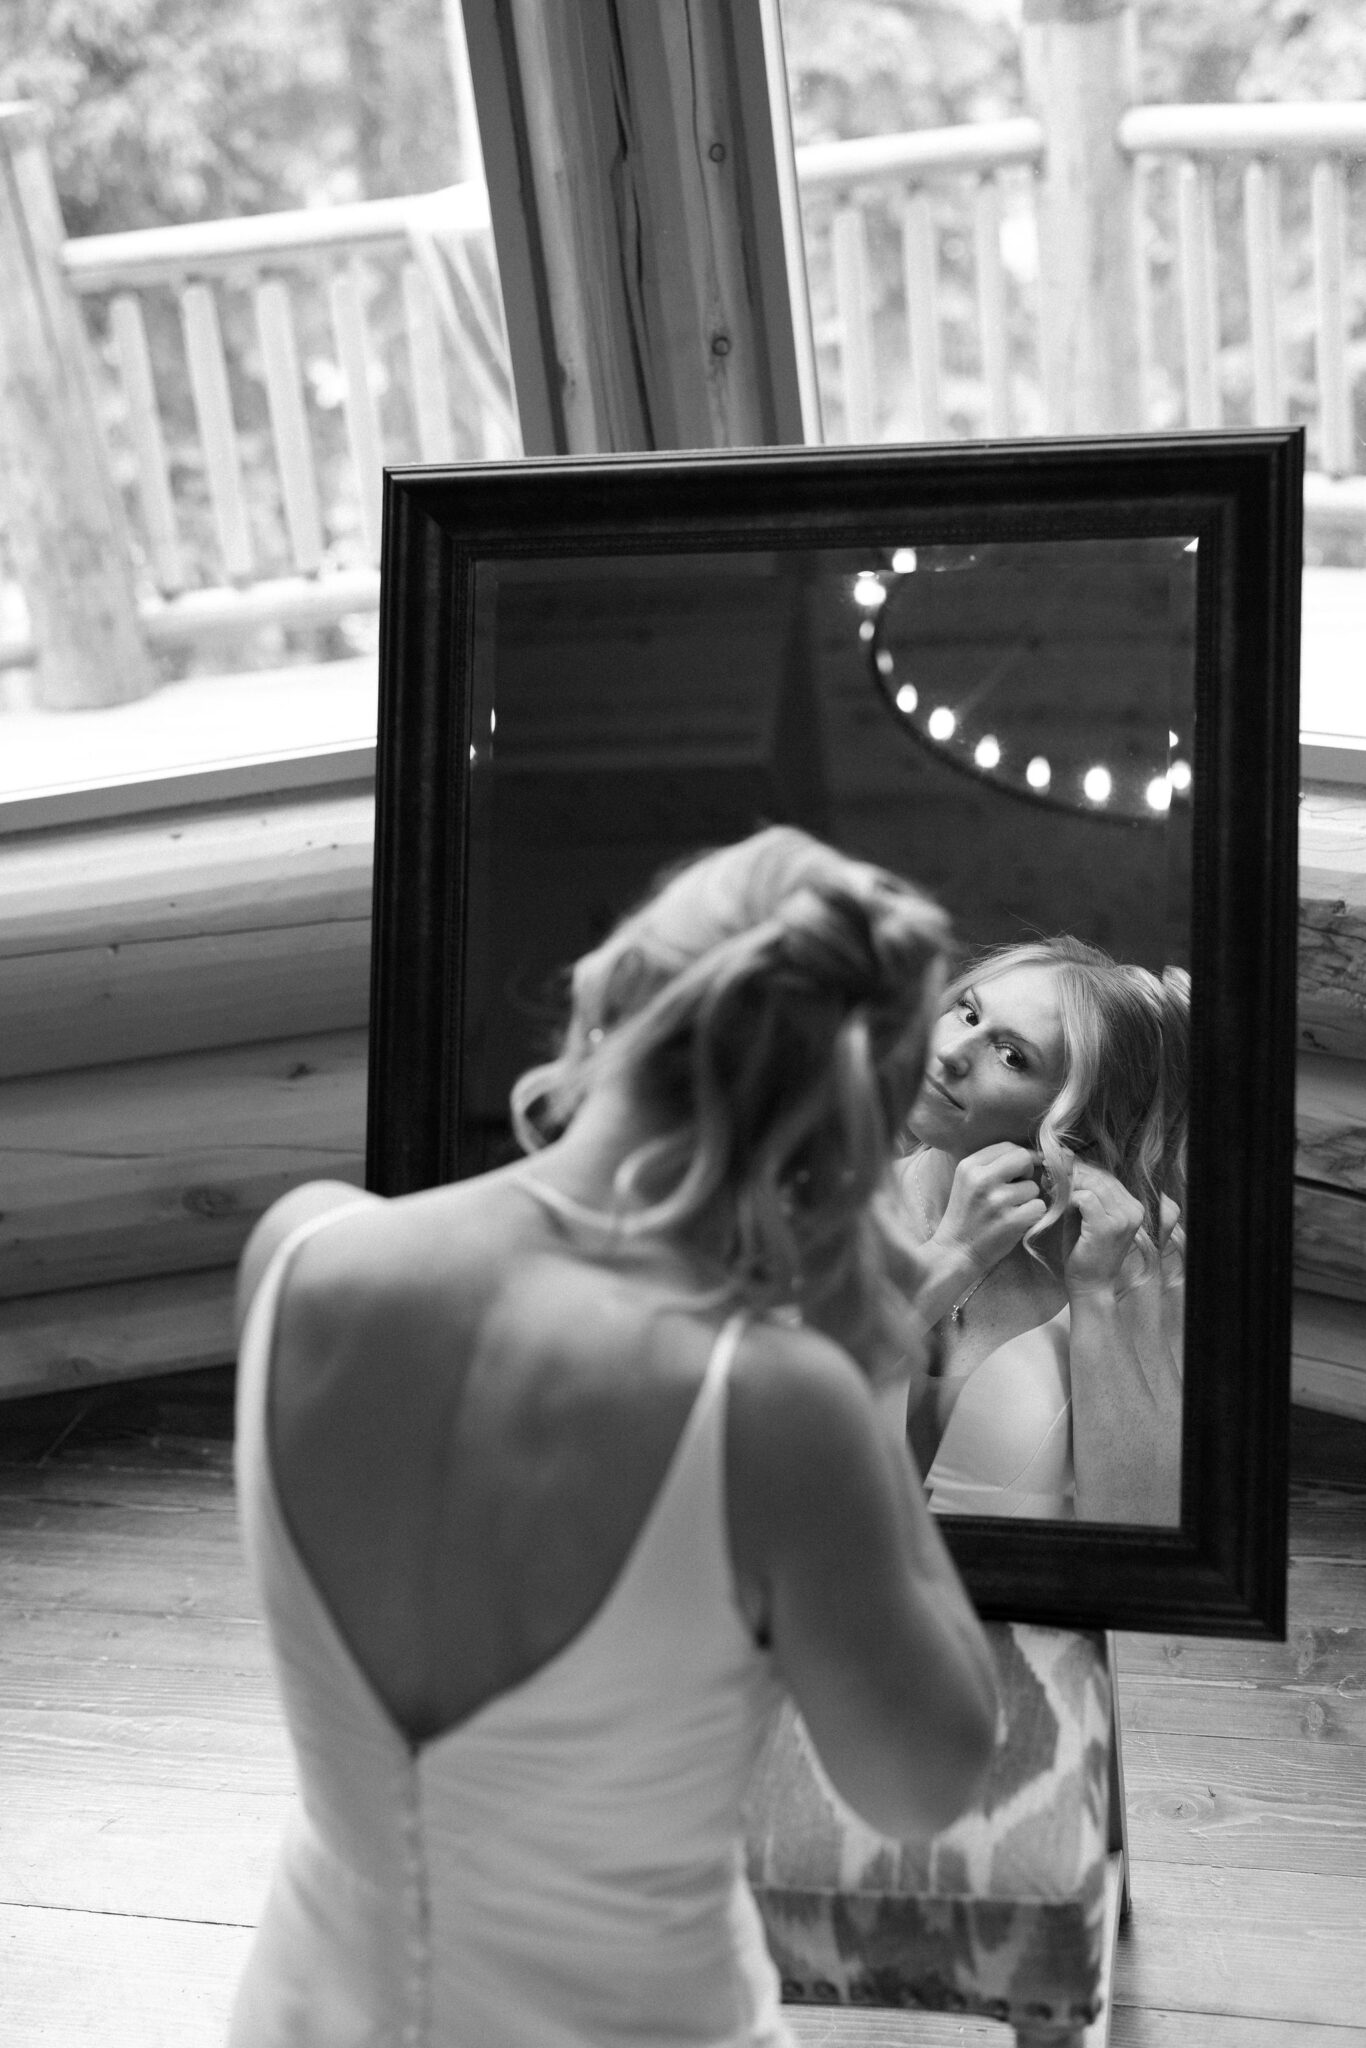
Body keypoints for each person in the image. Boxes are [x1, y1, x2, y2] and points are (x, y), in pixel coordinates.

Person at [229, 825, 1000, 2048]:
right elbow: (928, 1778)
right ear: (854, 1128)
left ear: (620, 987)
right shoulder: (775, 1406)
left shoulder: (305, 1249)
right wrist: (870, 1353)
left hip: (307, 2006)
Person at [898, 936, 1188, 1527]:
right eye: (968, 1011)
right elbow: (743, 1436)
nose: (951, 1051)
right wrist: (954, 1253)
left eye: (1012, 1056)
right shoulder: (824, 1194)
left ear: (1075, 1117)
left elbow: (1144, 1529)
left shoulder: (1126, 1260)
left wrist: (1099, 1296)